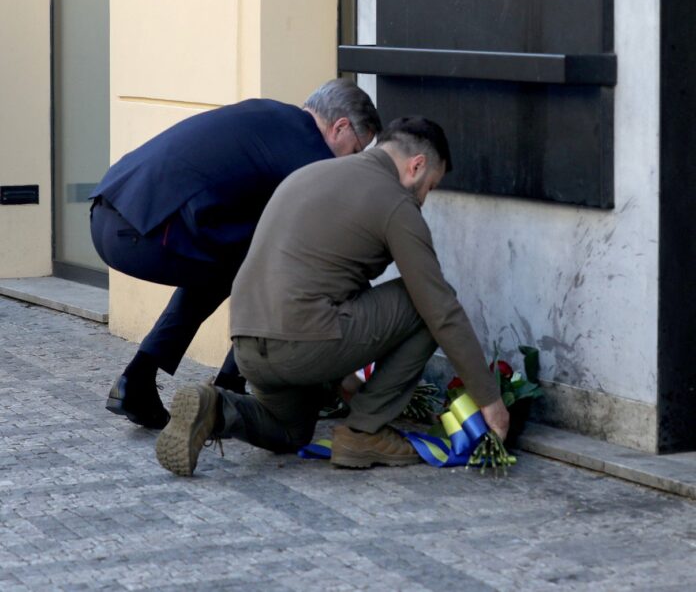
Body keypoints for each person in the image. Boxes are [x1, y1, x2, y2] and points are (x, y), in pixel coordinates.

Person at [154, 116, 508, 476]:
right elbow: (441, 309)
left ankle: (216, 408)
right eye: (429, 187)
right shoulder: (395, 202)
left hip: (247, 345)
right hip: (303, 344)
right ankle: (364, 431)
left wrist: (349, 379)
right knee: (425, 303)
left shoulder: (311, 173)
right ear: (416, 166)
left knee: (291, 431)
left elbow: (332, 278)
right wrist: (490, 400)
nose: (424, 199)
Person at [90, 79, 381, 430]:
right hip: (144, 229)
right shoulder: (310, 150)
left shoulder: (272, 117)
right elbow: (333, 248)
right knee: (268, 268)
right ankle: (229, 388)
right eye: (355, 151)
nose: (351, 162)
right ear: (340, 127)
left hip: (108, 214)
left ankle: (138, 382)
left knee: (230, 266)